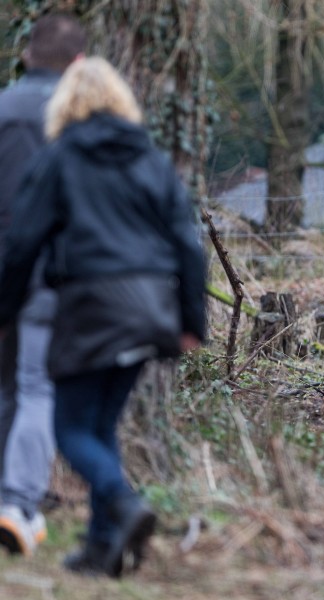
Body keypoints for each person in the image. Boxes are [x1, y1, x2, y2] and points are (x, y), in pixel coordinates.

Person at [0, 56, 207, 577]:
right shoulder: (151, 159)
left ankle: (123, 500)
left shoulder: (60, 158)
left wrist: (6, 308)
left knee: (69, 429)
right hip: (152, 308)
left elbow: (22, 241)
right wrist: (190, 321)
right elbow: (187, 242)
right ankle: (101, 548)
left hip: (91, 307)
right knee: (102, 427)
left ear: (64, 103)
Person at [0, 13, 86, 556]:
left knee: (5, 386)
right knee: (35, 385)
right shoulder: (82, 121)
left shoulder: (2, 108)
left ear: (27, 56)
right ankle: (17, 503)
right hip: (52, 270)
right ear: (77, 63)